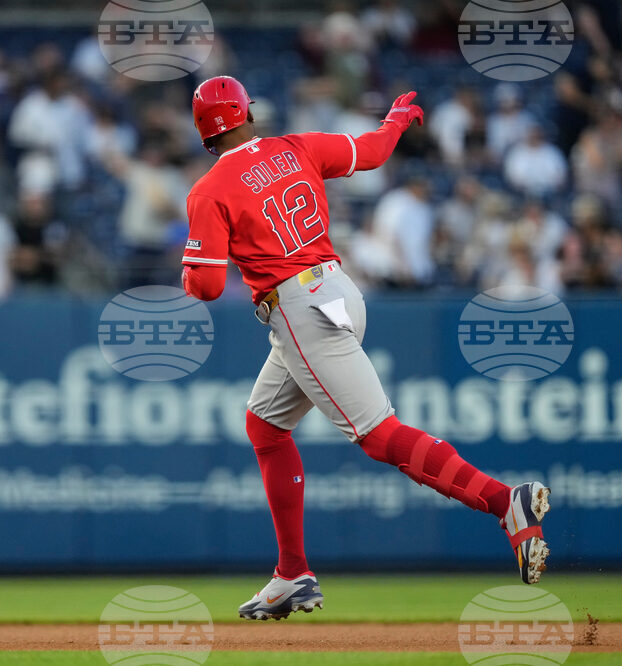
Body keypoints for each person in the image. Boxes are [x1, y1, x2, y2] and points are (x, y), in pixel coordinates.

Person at [182, 77, 550, 621]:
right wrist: (395, 120)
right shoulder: (294, 147)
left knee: (379, 436)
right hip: (339, 292)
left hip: (298, 309)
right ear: (245, 113)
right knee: (265, 425)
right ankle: (291, 573)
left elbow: (208, 287)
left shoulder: (208, 189)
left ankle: (504, 502)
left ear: (204, 132)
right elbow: (374, 153)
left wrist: (189, 271)